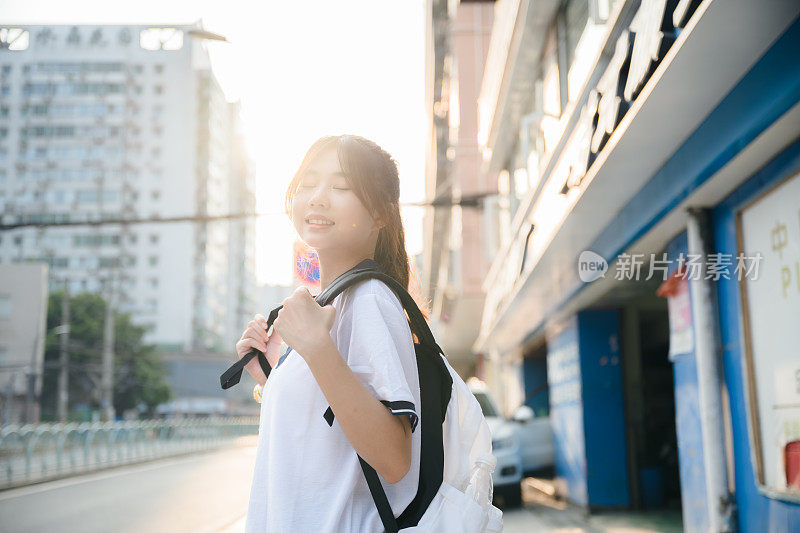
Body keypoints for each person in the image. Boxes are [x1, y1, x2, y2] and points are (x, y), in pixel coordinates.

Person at [237, 134, 431, 532]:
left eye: (340, 187)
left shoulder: (369, 298)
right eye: (308, 184)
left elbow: (394, 459)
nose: (318, 197)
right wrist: (274, 378)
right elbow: (329, 441)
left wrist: (315, 348)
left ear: (380, 213)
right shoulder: (334, 303)